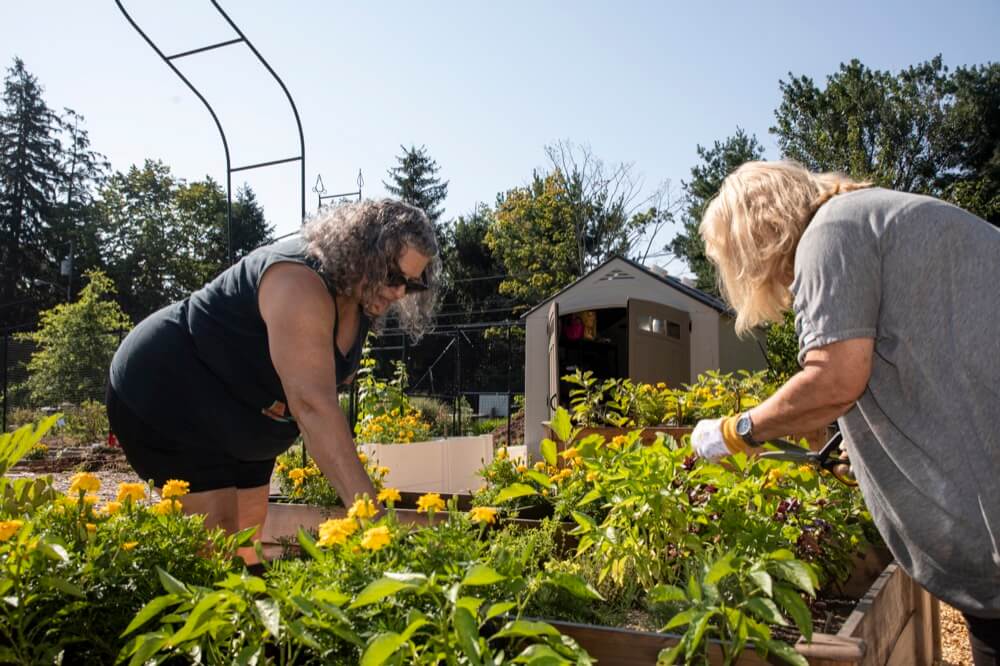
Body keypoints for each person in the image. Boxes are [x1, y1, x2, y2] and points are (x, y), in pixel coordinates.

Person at [689, 161, 1000, 664]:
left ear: (758, 233)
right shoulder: (867, 221)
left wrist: (736, 430)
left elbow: (834, 379)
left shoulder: (830, 232)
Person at [106, 199, 439, 564]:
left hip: (241, 423)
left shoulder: (359, 300)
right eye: (392, 276)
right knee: (215, 546)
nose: (399, 293)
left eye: (413, 284)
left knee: (248, 543)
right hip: (171, 392)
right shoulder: (298, 280)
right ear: (363, 251)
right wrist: (375, 524)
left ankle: (248, 617)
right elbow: (313, 407)